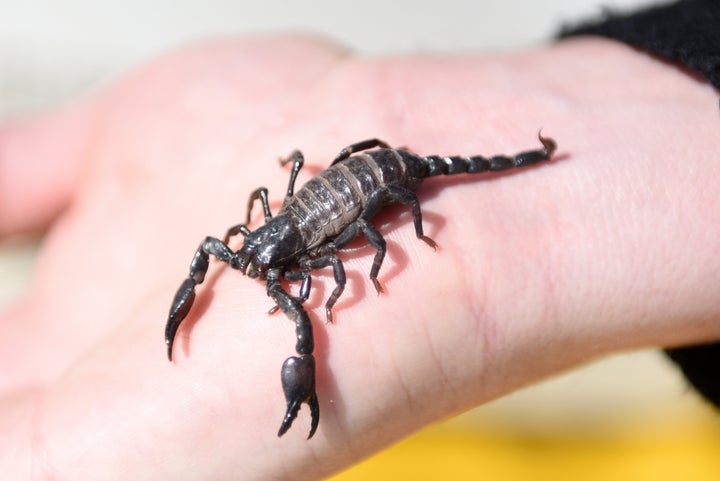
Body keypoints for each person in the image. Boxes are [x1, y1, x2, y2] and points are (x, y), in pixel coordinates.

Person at [0, 1, 718, 479]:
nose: (246, 258)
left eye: (250, 250)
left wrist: (374, 260)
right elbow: (227, 244)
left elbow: (332, 278)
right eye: (244, 249)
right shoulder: (258, 237)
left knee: (355, 254)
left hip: (373, 183)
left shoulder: (297, 262)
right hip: (328, 192)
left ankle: (538, 152)